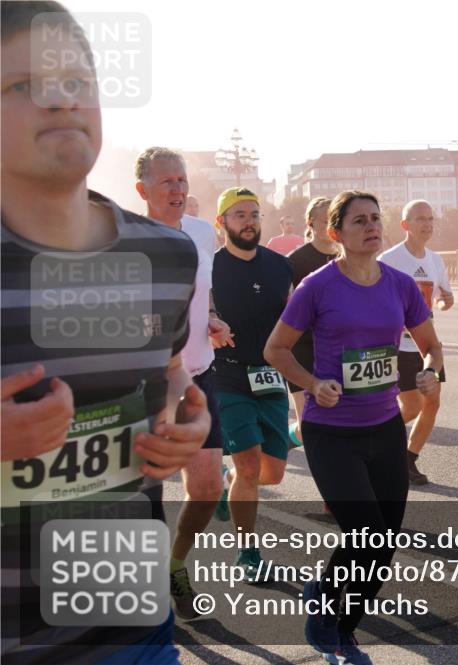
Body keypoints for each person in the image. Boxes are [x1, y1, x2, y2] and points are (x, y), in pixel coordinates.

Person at [1, 2, 209, 662]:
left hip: (131, 623)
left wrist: (185, 415)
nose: (60, 101)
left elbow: (171, 367)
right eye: (24, 86)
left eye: (76, 82)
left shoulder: (166, 255)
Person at [265, 190, 443, 664]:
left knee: (383, 543)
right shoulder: (317, 287)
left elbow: (431, 345)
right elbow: (276, 350)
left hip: (384, 426)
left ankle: (344, 632)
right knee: (364, 532)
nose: (371, 226)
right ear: (335, 233)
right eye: (358, 220)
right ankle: (325, 616)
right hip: (331, 431)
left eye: (375, 218)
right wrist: (311, 382)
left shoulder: (401, 285)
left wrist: (430, 372)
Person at [134, 147, 235, 620]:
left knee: (208, 485)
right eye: (166, 182)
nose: (177, 190)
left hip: (200, 373)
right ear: (142, 191)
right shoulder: (128, 244)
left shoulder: (200, 233)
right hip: (148, 387)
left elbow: (204, 292)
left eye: (181, 180)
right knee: (147, 498)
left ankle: (175, 565)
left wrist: (211, 318)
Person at [212, 186, 293, 580]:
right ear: (222, 222)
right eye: (240, 215)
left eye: (254, 214)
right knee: (248, 466)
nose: (249, 222)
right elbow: (197, 308)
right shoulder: (209, 266)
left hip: (270, 378)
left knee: (272, 472)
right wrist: (210, 321)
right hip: (227, 374)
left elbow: (297, 322)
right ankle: (247, 553)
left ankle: (229, 481)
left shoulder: (280, 266)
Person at [378, 199, 454, 484]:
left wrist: (448, 298)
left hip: (426, 346)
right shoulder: (389, 260)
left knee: (432, 403)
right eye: (420, 218)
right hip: (397, 347)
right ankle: (378, 442)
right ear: (405, 225)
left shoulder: (435, 260)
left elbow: (444, 295)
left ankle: (408, 459)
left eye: (430, 218)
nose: (427, 224)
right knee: (411, 407)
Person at [286, 197, 337, 446]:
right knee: (310, 426)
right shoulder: (294, 261)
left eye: (335, 219)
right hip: (302, 348)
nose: (330, 225)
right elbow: (283, 308)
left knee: (338, 423)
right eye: (325, 220)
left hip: (338, 349)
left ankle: (288, 437)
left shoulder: (347, 257)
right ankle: (288, 436)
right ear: (310, 222)